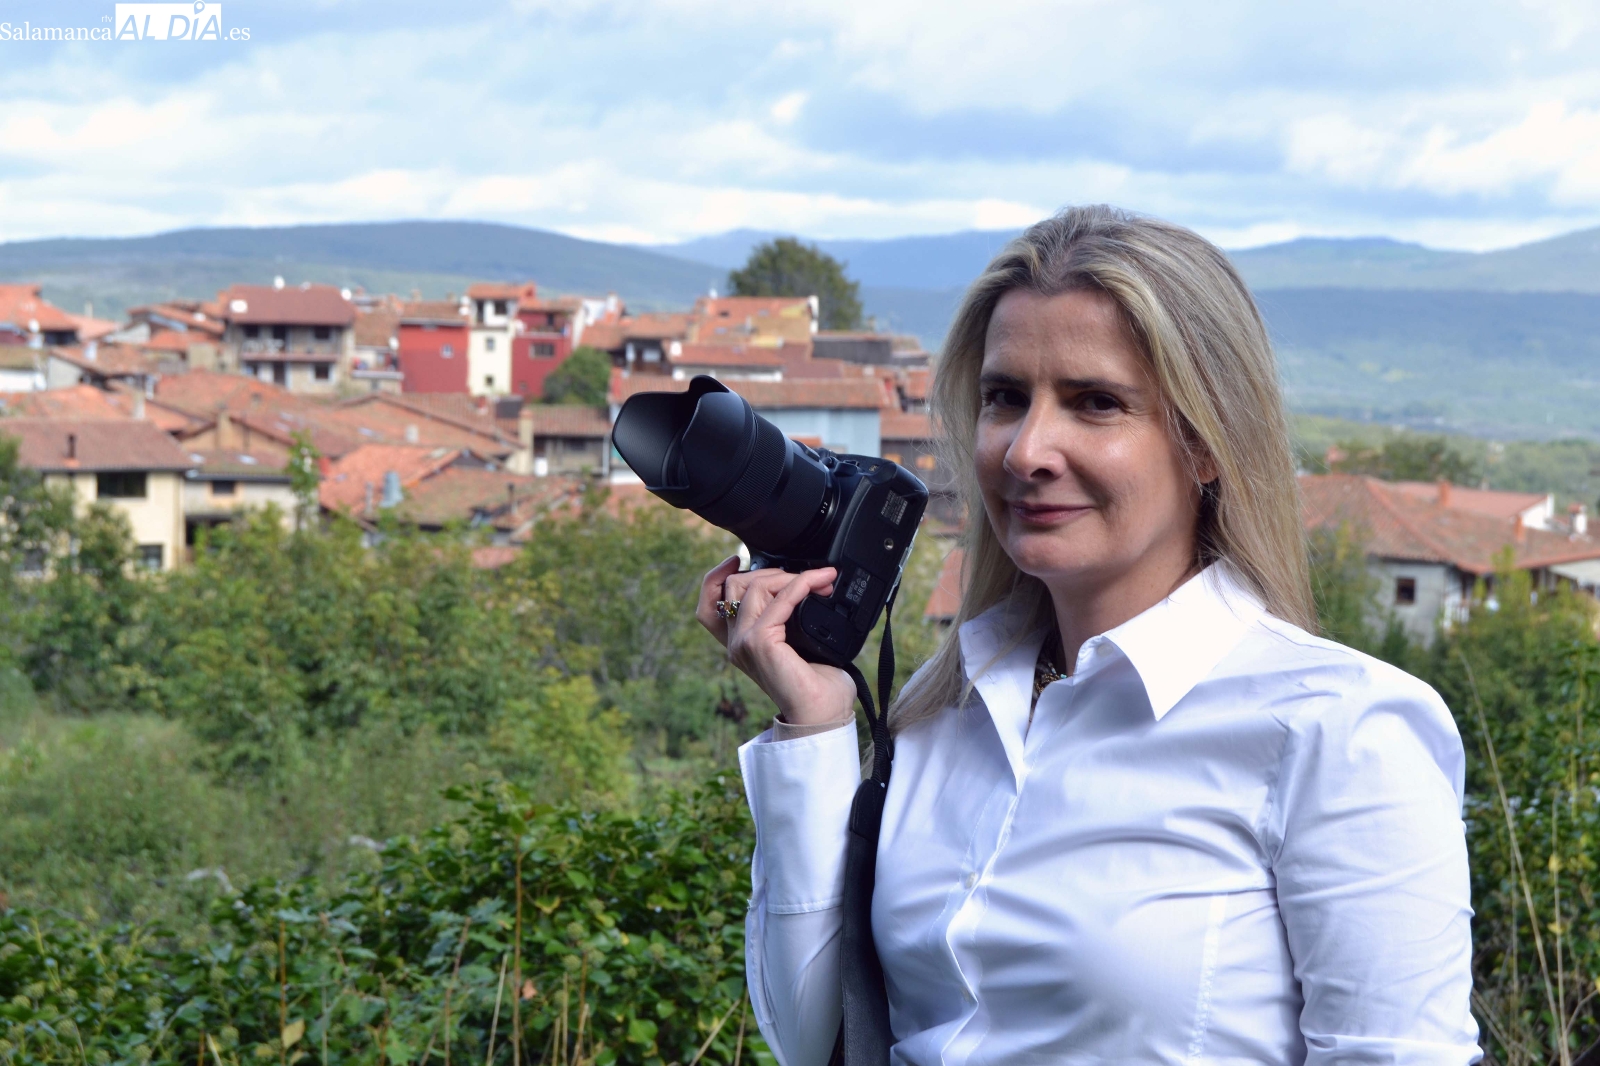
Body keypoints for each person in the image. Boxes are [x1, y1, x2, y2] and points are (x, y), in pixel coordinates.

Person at [696, 205, 1479, 1065]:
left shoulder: (1345, 730)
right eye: (1005, 398)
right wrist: (812, 727)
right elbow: (816, 1041)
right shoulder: (940, 716)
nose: (1028, 449)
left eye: (1096, 403)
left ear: (1206, 441)